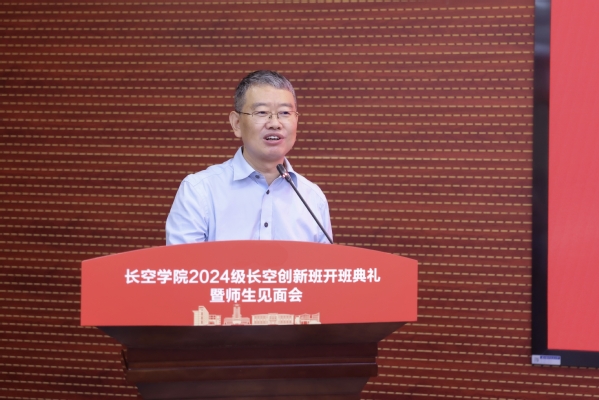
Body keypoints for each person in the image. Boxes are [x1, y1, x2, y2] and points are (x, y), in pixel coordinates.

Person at [165, 70, 333, 244]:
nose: (275, 124)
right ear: (236, 123)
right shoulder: (199, 192)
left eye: (284, 113)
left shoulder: (313, 199)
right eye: (261, 112)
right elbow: (182, 261)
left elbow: (325, 262)